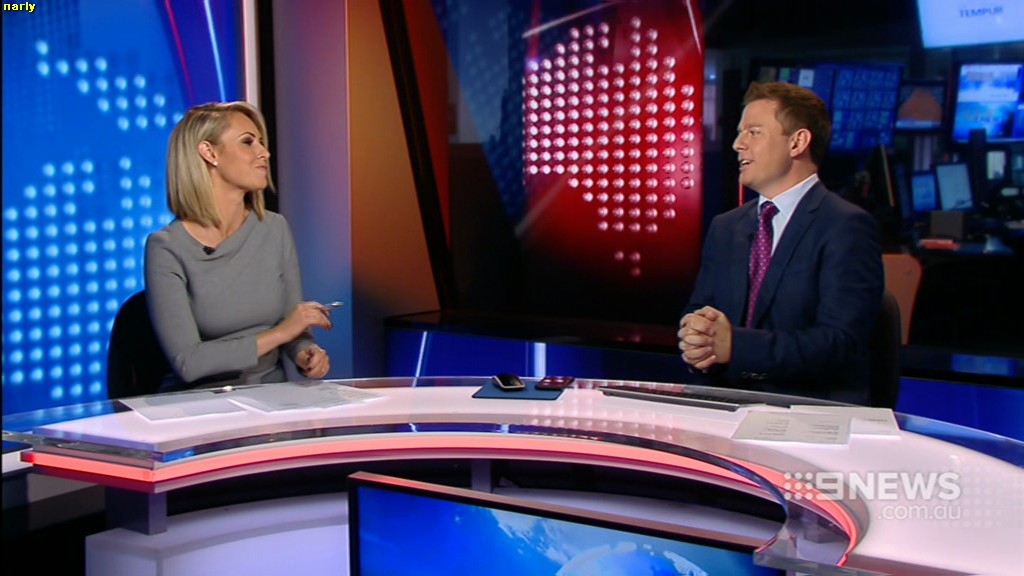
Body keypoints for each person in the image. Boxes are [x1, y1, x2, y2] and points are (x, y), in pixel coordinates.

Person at [677, 82, 883, 403]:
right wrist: (696, 337)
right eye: (739, 133)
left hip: (807, 410)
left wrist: (737, 347)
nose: (737, 144)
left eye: (753, 132)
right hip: (724, 403)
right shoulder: (726, 227)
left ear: (797, 142)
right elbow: (700, 309)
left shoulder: (845, 226)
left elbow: (840, 342)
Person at [145, 101, 332, 391]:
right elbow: (188, 362)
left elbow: (292, 328)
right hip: (201, 404)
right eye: (248, 142)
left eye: (261, 142)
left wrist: (306, 353)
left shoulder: (274, 228)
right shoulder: (166, 247)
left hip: (271, 398)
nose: (264, 153)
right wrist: (281, 333)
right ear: (209, 153)